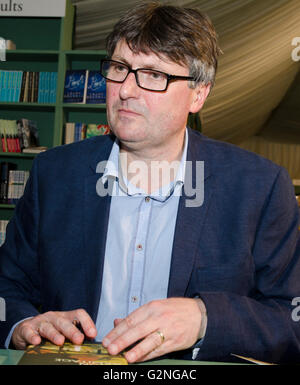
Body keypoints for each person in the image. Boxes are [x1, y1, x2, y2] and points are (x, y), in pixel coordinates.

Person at [0, 1, 300, 364]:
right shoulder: (54, 175)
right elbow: (7, 285)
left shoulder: (260, 187)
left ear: (199, 94)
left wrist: (205, 318)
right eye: (119, 68)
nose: (126, 90)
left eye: (154, 75)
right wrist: (23, 324)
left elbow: (291, 319)